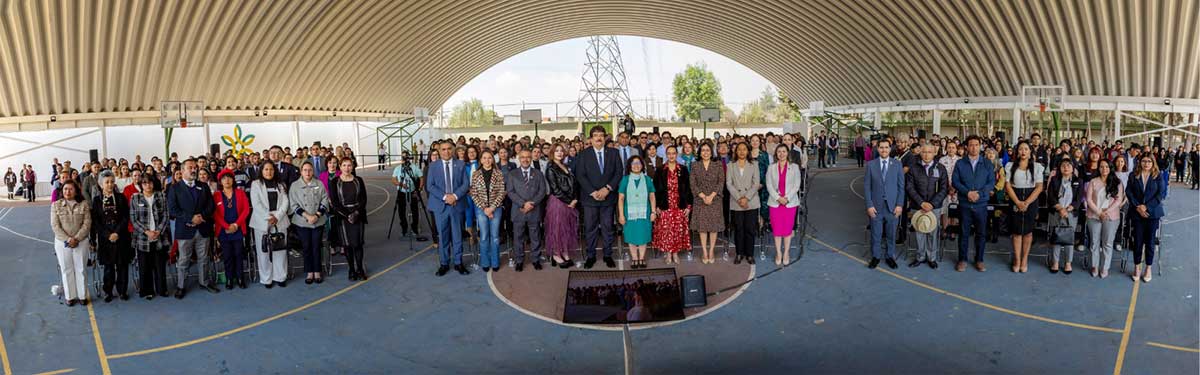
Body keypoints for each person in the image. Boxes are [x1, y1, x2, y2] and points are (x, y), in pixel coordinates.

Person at [167, 159, 218, 298]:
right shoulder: (174, 188)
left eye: (195, 167)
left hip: (203, 228)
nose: (194, 169)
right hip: (185, 230)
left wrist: (201, 216)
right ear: (182, 170)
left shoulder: (204, 186)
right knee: (184, 259)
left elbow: (211, 206)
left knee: (204, 258)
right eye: (190, 167)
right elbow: (172, 210)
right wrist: (191, 218)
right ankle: (181, 286)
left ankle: (204, 282)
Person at [575, 126, 622, 269]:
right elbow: (580, 175)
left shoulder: (614, 153)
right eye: (595, 135)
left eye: (601, 135)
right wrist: (593, 192)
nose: (598, 138)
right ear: (591, 138)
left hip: (608, 197)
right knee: (591, 228)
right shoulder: (583, 154)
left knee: (608, 228)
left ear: (605, 137)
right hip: (590, 199)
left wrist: (607, 189)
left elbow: (618, 172)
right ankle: (591, 256)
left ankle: (608, 255)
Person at [951, 135, 995, 272]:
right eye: (971, 145)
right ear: (966, 147)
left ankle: (979, 260)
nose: (974, 147)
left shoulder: (987, 163)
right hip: (965, 203)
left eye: (976, 144)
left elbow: (991, 183)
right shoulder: (960, 163)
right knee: (964, 233)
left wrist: (979, 194)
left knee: (981, 233)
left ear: (980, 146)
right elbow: (955, 182)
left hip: (981, 204)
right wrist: (967, 193)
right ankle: (962, 259)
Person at [427, 141, 470, 276]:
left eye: (449, 149)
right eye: (443, 149)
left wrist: (455, 196)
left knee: (457, 236)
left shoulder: (461, 164)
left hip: (456, 205)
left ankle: (458, 263)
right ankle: (444, 264)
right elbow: (430, 186)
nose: (446, 152)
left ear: (453, 150)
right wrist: (446, 197)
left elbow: (465, 184)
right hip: (441, 206)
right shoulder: (433, 166)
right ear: (439, 151)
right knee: (443, 236)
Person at [90, 171, 132, 302]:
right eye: (107, 182)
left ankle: (122, 291)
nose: (110, 184)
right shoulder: (97, 201)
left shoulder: (121, 198)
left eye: (112, 182)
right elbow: (96, 221)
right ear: (101, 184)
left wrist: (117, 233)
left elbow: (126, 217)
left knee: (122, 266)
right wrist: (108, 235)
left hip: (121, 237)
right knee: (108, 267)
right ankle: (108, 291)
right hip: (105, 239)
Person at [1003, 141, 1044, 273]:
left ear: (1030, 152)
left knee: (1027, 232)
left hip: (1031, 200)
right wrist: (1018, 202)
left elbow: (1039, 187)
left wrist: (1026, 203)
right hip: (1015, 198)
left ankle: (1024, 259)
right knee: (1016, 232)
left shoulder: (1037, 167)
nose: (1023, 151)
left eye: (1026, 149)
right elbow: (1007, 186)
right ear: (1017, 151)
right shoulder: (1010, 166)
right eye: (1021, 149)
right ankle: (1017, 259)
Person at [904, 144, 948, 269]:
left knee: (933, 232)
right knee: (919, 231)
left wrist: (932, 204)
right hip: (917, 206)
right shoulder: (913, 168)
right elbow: (909, 187)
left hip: (935, 206)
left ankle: (932, 258)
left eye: (930, 152)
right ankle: (920, 257)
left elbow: (944, 189)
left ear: (934, 153)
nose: (927, 154)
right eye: (924, 152)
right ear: (920, 153)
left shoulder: (941, 168)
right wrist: (921, 203)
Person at [863, 139, 904, 269]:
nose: (884, 150)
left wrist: (899, 205)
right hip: (876, 207)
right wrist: (869, 205)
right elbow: (867, 187)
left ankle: (890, 256)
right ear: (877, 149)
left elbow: (901, 187)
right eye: (881, 147)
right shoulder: (871, 165)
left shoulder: (897, 165)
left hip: (892, 207)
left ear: (890, 149)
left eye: (886, 147)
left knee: (891, 234)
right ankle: (876, 256)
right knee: (876, 233)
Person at [250, 161, 291, 288]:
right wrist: (269, 217)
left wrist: (277, 216)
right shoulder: (255, 184)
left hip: (280, 220)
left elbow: (285, 202)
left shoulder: (280, 184)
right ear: (261, 171)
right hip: (262, 221)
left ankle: (280, 277)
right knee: (263, 251)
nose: (269, 172)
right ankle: (266, 279)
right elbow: (256, 203)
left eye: (271, 169)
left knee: (280, 250)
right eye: (266, 169)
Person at [50, 180, 91, 306]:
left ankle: (82, 295)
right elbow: (55, 226)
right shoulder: (56, 205)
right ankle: (70, 296)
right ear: (62, 191)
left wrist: (77, 238)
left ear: (76, 190)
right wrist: (68, 240)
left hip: (81, 241)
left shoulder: (83, 204)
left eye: (71, 189)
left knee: (81, 269)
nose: (68, 191)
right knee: (66, 269)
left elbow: (87, 223)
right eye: (65, 189)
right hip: (62, 242)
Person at [505, 149, 547, 272]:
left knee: (535, 236)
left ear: (531, 158)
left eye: (528, 157)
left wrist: (531, 204)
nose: (525, 159)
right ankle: (519, 260)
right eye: (522, 157)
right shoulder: (512, 174)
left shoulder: (538, 173)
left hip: (534, 210)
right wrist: (523, 204)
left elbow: (542, 191)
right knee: (518, 237)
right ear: (519, 158)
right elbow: (511, 192)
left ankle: (536, 259)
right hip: (519, 211)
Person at [1126, 154, 1165, 283]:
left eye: (1149, 161)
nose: (1146, 163)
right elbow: (1129, 192)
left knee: (1150, 242)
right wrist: (1138, 206)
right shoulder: (1133, 175)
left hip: (1152, 214)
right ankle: (1137, 267)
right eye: (1144, 161)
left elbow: (1161, 194)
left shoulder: (1158, 176)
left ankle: (1148, 268)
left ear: (1153, 163)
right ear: (1139, 162)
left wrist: (1146, 207)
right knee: (1137, 241)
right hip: (1137, 214)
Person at [290, 162, 330, 284]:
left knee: (316, 245)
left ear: (313, 171)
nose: (308, 173)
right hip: (302, 222)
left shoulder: (319, 184)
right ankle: (309, 272)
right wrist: (307, 216)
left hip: (318, 221)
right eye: (305, 170)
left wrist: (317, 215)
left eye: (310, 170)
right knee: (306, 247)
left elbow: (325, 200)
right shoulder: (295, 186)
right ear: (301, 171)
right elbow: (293, 204)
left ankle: (317, 271)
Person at [130, 176, 170, 299]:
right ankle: (147, 291)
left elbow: (166, 215)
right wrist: (147, 232)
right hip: (143, 238)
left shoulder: (161, 196)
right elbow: (133, 219)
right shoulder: (135, 198)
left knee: (160, 265)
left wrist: (158, 231)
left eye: (150, 183)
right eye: (145, 183)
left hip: (159, 237)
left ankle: (162, 289)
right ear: (141, 185)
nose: (148, 185)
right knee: (144, 266)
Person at [330, 158, 369, 280]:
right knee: (347, 245)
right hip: (343, 217)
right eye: (344, 165)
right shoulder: (334, 182)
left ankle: (360, 269)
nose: (347, 168)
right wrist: (347, 215)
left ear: (353, 167)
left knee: (358, 244)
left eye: (349, 165)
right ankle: (351, 269)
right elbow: (335, 203)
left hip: (358, 215)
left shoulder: (359, 180)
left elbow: (363, 199)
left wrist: (356, 213)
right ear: (340, 167)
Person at [1085, 159, 1124, 278]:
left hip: (1111, 217)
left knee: (1107, 243)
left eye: (1107, 167)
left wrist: (1106, 211)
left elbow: (1118, 200)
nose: (1104, 169)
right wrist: (1098, 212)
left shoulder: (1117, 182)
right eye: (1101, 167)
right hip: (1094, 216)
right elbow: (1089, 199)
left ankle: (1105, 267)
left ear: (1110, 168)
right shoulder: (1093, 181)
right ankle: (1094, 266)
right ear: (1098, 168)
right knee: (1094, 242)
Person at [653, 145, 692, 264]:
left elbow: (688, 189)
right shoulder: (660, 170)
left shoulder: (683, 169)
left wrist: (688, 206)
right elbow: (655, 189)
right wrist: (657, 206)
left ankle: (675, 254)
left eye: (673, 153)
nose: (671, 155)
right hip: (665, 205)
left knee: (677, 230)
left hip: (679, 204)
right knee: (666, 230)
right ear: (666, 154)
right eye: (669, 153)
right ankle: (668, 254)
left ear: (677, 154)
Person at [689, 141, 725, 264]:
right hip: (700, 200)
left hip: (715, 200)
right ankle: (704, 251)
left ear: (712, 152)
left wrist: (712, 196)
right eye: (703, 150)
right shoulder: (694, 165)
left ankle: (711, 251)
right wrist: (703, 196)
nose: (705, 153)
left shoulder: (718, 164)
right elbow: (692, 184)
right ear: (699, 152)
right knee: (703, 228)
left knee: (713, 228)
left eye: (708, 150)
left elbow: (721, 182)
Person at [213, 170, 250, 289]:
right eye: (224, 178)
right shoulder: (217, 195)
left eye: (229, 178)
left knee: (239, 254)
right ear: (220, 181)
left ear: (233, 180)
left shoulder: (240, 193)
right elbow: (215, 214)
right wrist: (226, 226)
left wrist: (235, 225)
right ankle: (229, 278)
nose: (227, 180)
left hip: (238, 229)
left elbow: (246, 210)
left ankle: (240, 277)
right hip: (223, 231)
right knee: (228, 256)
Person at [470, 149, 506, 272]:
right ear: (481, 160)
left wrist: (492, 208)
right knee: (484, 236)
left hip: (495, 209)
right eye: (484, 158)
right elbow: (473, 193)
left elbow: (502, 192)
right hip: (481, 210)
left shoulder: (499, 173)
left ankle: (495, 262)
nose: (487, 160)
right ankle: (485, 262)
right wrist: (485, 208)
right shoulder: (476, 174)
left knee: (495, 237)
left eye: (489, 157)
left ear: (493, 159)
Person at [618, 155, 656, 269]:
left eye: (638, 163)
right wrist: (621, 215)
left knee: (643, 236)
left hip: (645, 212)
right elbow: (620, 198)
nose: (636, 165)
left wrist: (653, 212)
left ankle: (641, 258)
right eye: (633, 163)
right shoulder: (625, 180)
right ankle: (634, 258)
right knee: (631, 236)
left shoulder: (648, 180)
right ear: (629, 166)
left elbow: (652, 197)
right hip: (629, 213)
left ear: (642, 166)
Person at [767, 144, 802, 266]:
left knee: (787, 230)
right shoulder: (771, 168)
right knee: (777, 230)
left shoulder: (795, 167)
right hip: (775, 203)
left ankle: (786, 252)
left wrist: (786, 198)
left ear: (787, 153)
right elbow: (769, 185)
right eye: (779, 152)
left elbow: (797, 185)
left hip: (790, 203)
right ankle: (778, 253)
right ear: (776, 154)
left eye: (784, 151)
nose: (781, 154)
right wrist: (778, 198)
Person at [544, 144, 579, 268]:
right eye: (557, 151)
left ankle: (564, 251)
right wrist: (569, 201)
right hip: (558, 202)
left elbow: (574, 183)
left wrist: (575, 198)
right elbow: (555, 189)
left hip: (570, 202)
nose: (559, 153)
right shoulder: (550, 168)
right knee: (557, 229)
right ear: (552, 153)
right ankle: (556, 254)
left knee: (566, 229)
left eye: (561, 151)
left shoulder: (566, 166)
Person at [1047, 159, 1084, 274]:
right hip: (1057, 212)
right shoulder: (1054, 180)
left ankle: (1068, 262)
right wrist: (1060, 209)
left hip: (1071, 213)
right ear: (1060, 168)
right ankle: (1055, 262)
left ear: (1073, 168)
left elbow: (1078, 199)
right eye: (1063, 165)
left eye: (1068, 165)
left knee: (1069, 238)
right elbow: (1051, 196)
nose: (1066, 168)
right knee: (1056, 237)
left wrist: (1067, 209)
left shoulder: (1079, 181)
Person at [726, 142, 761, 264]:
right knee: (739, 229)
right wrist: (740, 198)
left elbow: (756, 183)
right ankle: (739, 253)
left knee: (750, 229)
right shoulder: (730, 165)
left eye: (744, 149)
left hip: (751, 201)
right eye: (739, 149)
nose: (741, 151)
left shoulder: (754, 164)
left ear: (748, 151)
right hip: (737, 202)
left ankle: (750, 254)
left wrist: (746, 198)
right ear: (736, 152)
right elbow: (729, 184)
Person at [391, 154, 423, 237]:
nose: (405, 160)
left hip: (413, 192)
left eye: (407, 158)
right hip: (401, 192)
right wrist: (400, 184)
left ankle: (414, 228)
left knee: (415, 210)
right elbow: (393, 180)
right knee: (401, 211)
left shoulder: (414, 167)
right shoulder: (398, 168)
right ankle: (404, 228)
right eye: (404, 158)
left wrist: (419, 189)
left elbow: (421, 178)